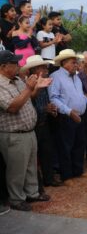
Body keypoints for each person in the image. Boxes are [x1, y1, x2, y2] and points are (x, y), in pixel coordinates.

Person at [0, 50, 51, 211]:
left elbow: (29, 97)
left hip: (28, 131)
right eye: (14, 63)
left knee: (30, 165)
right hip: (14, 134)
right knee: (17, 170)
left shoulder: (16, 80)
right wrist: (29, 88)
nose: (18, 66)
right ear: (3, 66)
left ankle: (32, 193)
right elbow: (13, 107)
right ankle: (16, 199)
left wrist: (37, 89)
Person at [48, 49, 87, 186]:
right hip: (66, 118)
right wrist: (69, 112)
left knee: (79, 144)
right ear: (64, 63)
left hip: (80, 116)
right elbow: (53, 99)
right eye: (74, 62)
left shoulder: (76, 77)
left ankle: (78, 171)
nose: (77, 65)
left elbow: (80, 96)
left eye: (77, 62)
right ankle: (66, 176)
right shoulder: (56, 77)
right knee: (66, 147)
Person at [20, 55, 63, 188]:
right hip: (32, 126)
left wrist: (50, 109)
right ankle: (36, 186)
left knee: (46, 153)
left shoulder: (44, 83)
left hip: (44, 124)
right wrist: (46, 108)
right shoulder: (26, 85)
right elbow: (28, 105)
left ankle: (48, 179)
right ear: (34, 70)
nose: (46, 69)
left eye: (45, 67)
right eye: (42, 67)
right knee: (32, 158)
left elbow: (45, 102)